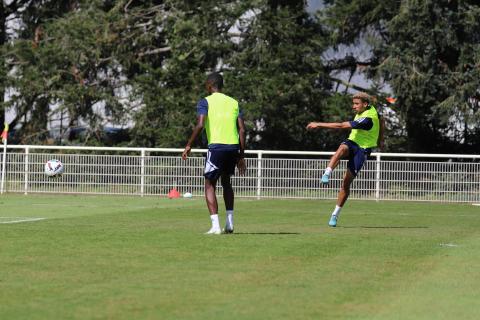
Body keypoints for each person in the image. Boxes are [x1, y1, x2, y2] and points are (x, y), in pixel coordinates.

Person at [306, 92, 384, 227]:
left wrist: (318, 124)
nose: (353, 107)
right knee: (341, 149)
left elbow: (342, 126)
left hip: (363, 150)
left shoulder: (368, 119)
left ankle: (335, 214)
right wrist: (381, 139)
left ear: (365, 104)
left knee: (345, 183)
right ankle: (327, 173)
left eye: (356, 104)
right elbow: (382, 120)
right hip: (353, 142)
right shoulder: (372, 109)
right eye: (353, 103)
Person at [182, 72, 246, 234]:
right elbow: (242, 130)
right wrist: (241, 155)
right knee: (226, 182)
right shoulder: (234, 102)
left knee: (210, 184)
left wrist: (189, 145)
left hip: (216, 148)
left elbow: (200, 124)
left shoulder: (206, 102)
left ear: (209, 85)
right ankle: (229, 223)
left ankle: (216, 226)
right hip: (233, 147)